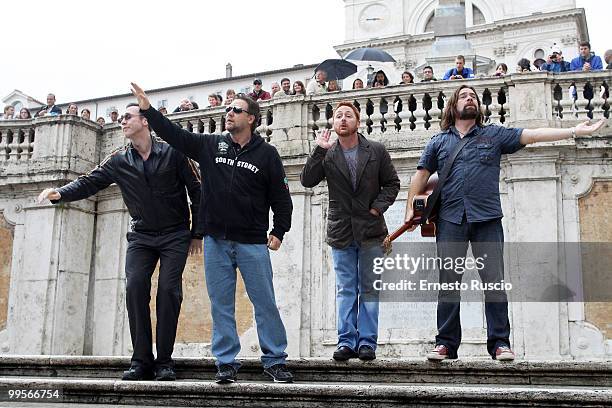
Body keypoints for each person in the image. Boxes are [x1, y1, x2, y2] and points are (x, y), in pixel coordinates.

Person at [404, 85, 605, 362]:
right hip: (451, 220)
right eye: (463, 96)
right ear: (453, 106)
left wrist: (573, 131)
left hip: (487, 219)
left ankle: (499, 343)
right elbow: (421, 175)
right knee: (448, 282)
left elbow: (532, 135)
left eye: (473, 96)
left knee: (494, 282)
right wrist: (409, 210)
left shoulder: (494, 134)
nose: (469, 98)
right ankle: (446, 344)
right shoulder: (438, 142)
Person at [130, 82, 294, 384]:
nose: (228, 113)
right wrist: (148, 111)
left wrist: (279, 230)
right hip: (216, 241)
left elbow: (281, 197)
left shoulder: (267, 154)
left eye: (236, 110)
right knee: (221, 305)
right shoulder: (211, 145)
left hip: (252, 242)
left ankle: (275, 361)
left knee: (265, 303)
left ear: (251, 118)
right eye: (228, 109)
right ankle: (226, 363)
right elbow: (175, 135)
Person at [37, 102, 203, 381]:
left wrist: (197, 232)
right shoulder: (118, 160)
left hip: (175, 234)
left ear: (146, 122)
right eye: (122, 118)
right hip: (141, 235)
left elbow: (197, 191)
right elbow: (89, 181)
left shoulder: (174, 152)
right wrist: (60, 193)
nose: (122, 121)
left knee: (168, 291)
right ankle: (141, 361)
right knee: (135, 288)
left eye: (128, 117)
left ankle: (164, 362)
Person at [300, 101, 400, 362]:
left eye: (348, 116)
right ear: (333, 123)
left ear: (357, 121)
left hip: (371, 231)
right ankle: (346, 341)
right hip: (341, 231)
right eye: (338, 116)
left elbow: (392, 184)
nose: (342, 120)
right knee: (345, 288)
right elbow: (306, 180)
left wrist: (377, 209)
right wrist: (318, 152)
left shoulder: (376, 150)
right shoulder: (328, 153)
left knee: (369, 289)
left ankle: (367, 342)